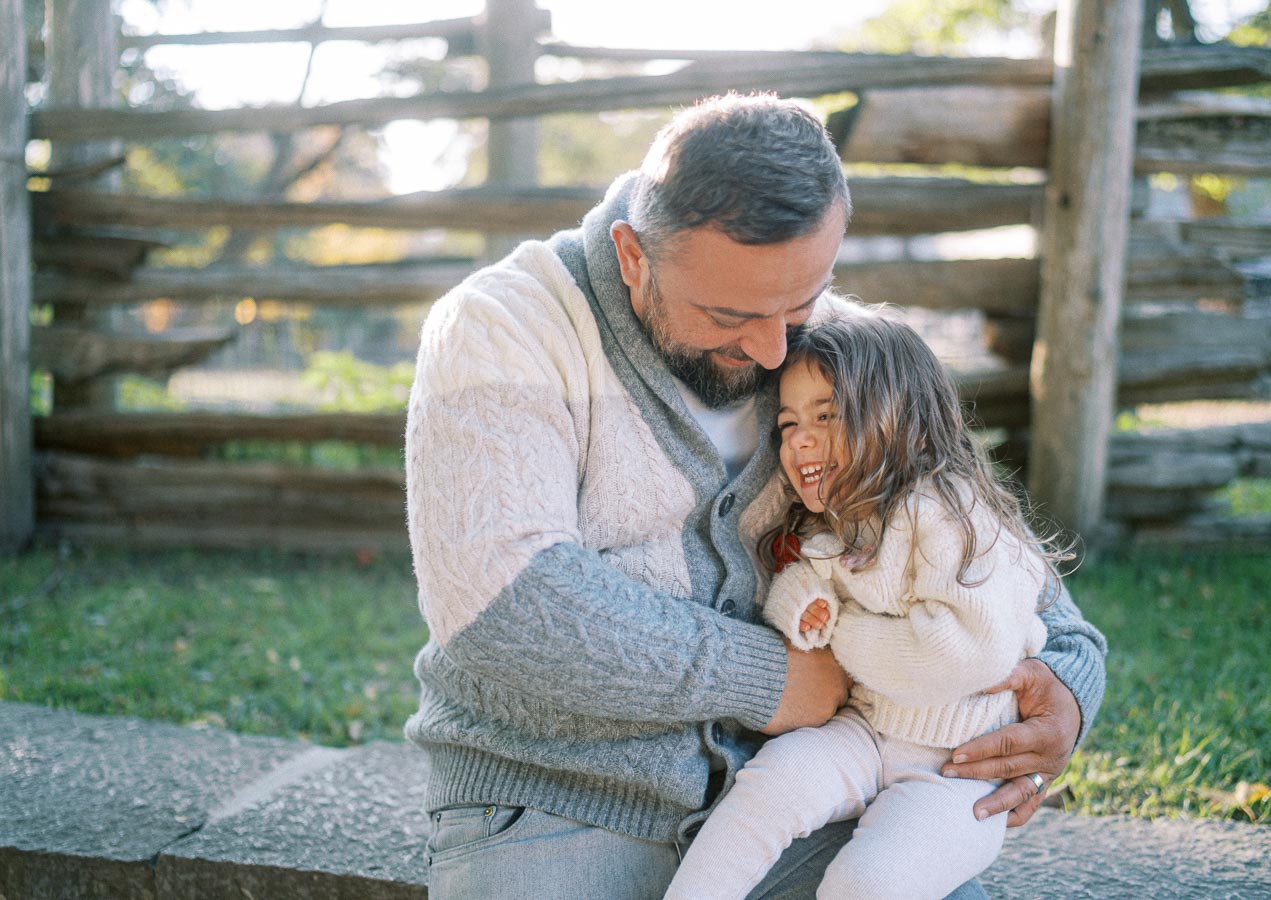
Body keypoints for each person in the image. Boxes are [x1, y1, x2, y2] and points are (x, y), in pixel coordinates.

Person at [403, 92, 1107, 900]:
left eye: (801, 303)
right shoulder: (501, 326)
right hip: (547, 804)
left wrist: (1066, 692)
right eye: (729, 314)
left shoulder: (839, 352)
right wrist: (770, 679)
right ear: (635, 257)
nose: (777, 347)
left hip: (798, 796)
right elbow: (506, 604)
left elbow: (994, 553)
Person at [664, 309, 1071, 900]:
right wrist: (803, 609)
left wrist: (841, 632)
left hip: (956, 770)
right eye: (787, 424)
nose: (799, 438)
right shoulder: (835, 522)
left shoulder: (953, 516)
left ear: (905, 422)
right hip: (863, 731)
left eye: (826, 417)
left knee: (869, 881)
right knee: (768, 787)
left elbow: (960, 654)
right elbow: (805, 586)